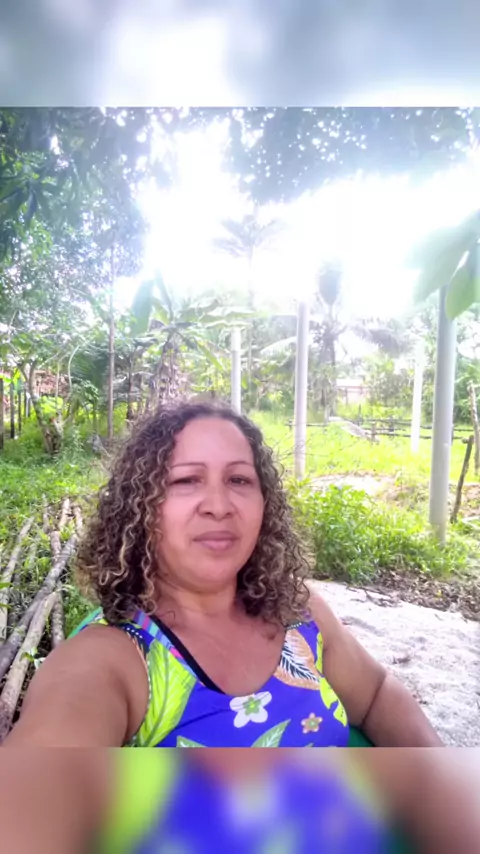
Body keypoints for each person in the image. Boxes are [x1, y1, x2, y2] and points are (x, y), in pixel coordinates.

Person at [6, 400, 442, 748]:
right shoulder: (112, 660)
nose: (219, 505)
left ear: (264, 504)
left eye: (239, 480)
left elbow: (378, 694)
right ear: (139, 508)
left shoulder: (300, 614)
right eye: (185, 481)